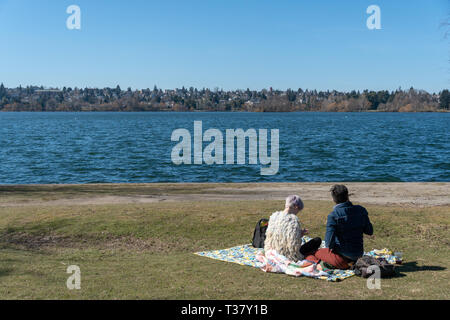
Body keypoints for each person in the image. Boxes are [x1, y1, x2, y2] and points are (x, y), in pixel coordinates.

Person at [305, 185, 373, 269]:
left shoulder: (333, 216)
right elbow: (369, 231)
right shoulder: (361, 210)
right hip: (358, 254)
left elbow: (328, 244)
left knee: (313, 253)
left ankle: (318, 262)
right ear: (347, 195)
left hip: (340, 259)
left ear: (333, 199)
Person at [264, 195, 321, 262]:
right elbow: (293, 245)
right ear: (296, 207)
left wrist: (299, 233)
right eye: (298, 210)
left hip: (272, 251)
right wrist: (300, 235)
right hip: (287, 255)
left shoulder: (274, 216)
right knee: (317, 240)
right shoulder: (293, 220)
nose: (297, 213)